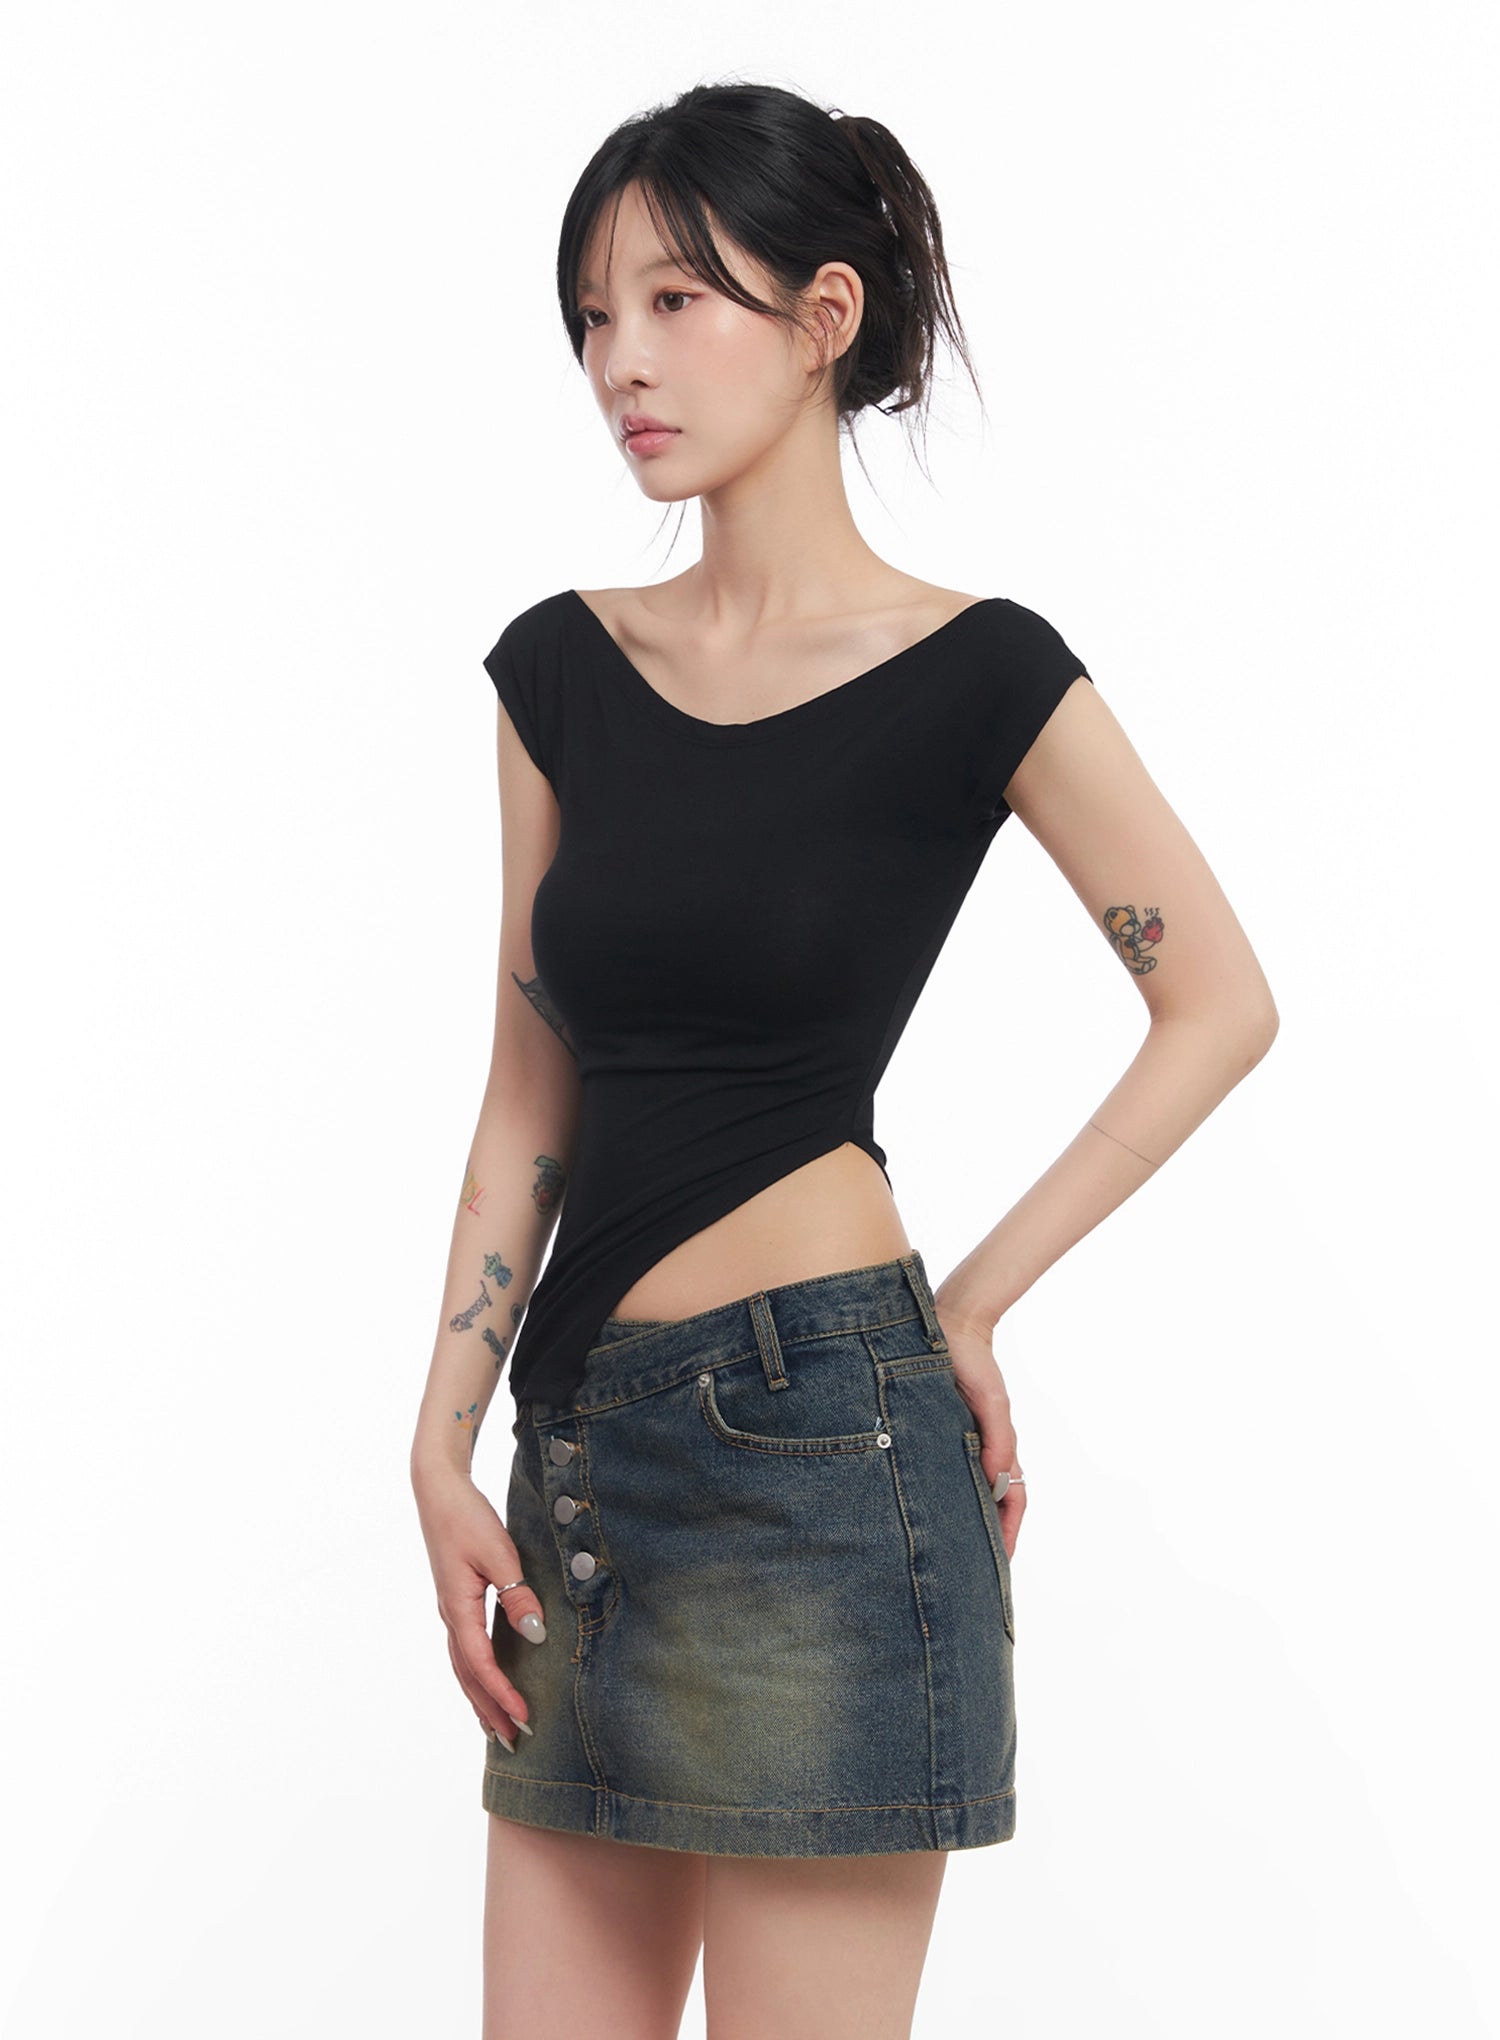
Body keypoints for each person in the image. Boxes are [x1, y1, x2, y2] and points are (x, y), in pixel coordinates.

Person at [410, 79, 1278, 2040]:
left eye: (674, 301)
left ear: (824, 319)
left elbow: (1218, 998)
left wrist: (970, 1301)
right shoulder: (560, 672)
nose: (621, 362)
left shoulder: (979, 675)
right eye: (592, 317)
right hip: (579, 1470)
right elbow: (528, 1091)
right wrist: (440, 1439)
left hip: (824, 1458)